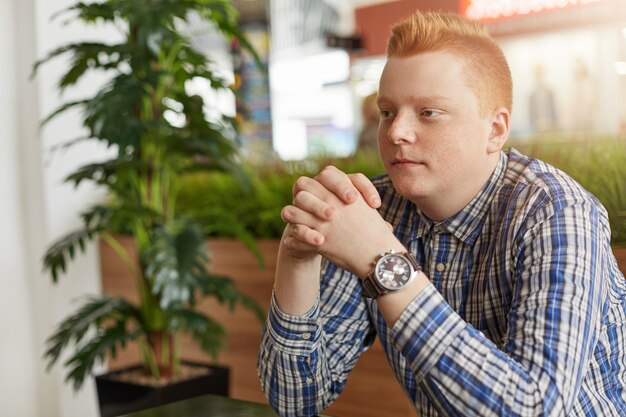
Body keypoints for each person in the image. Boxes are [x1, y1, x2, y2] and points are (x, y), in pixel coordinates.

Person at [257, 10, 626, 417]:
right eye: (387, 111)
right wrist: (297, 257)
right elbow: (295, 400)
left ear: (496, 130)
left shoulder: (555, 213)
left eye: (428, 112)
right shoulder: (377, 208)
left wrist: (383, 261)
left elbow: (535, 409)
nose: (397, 131)